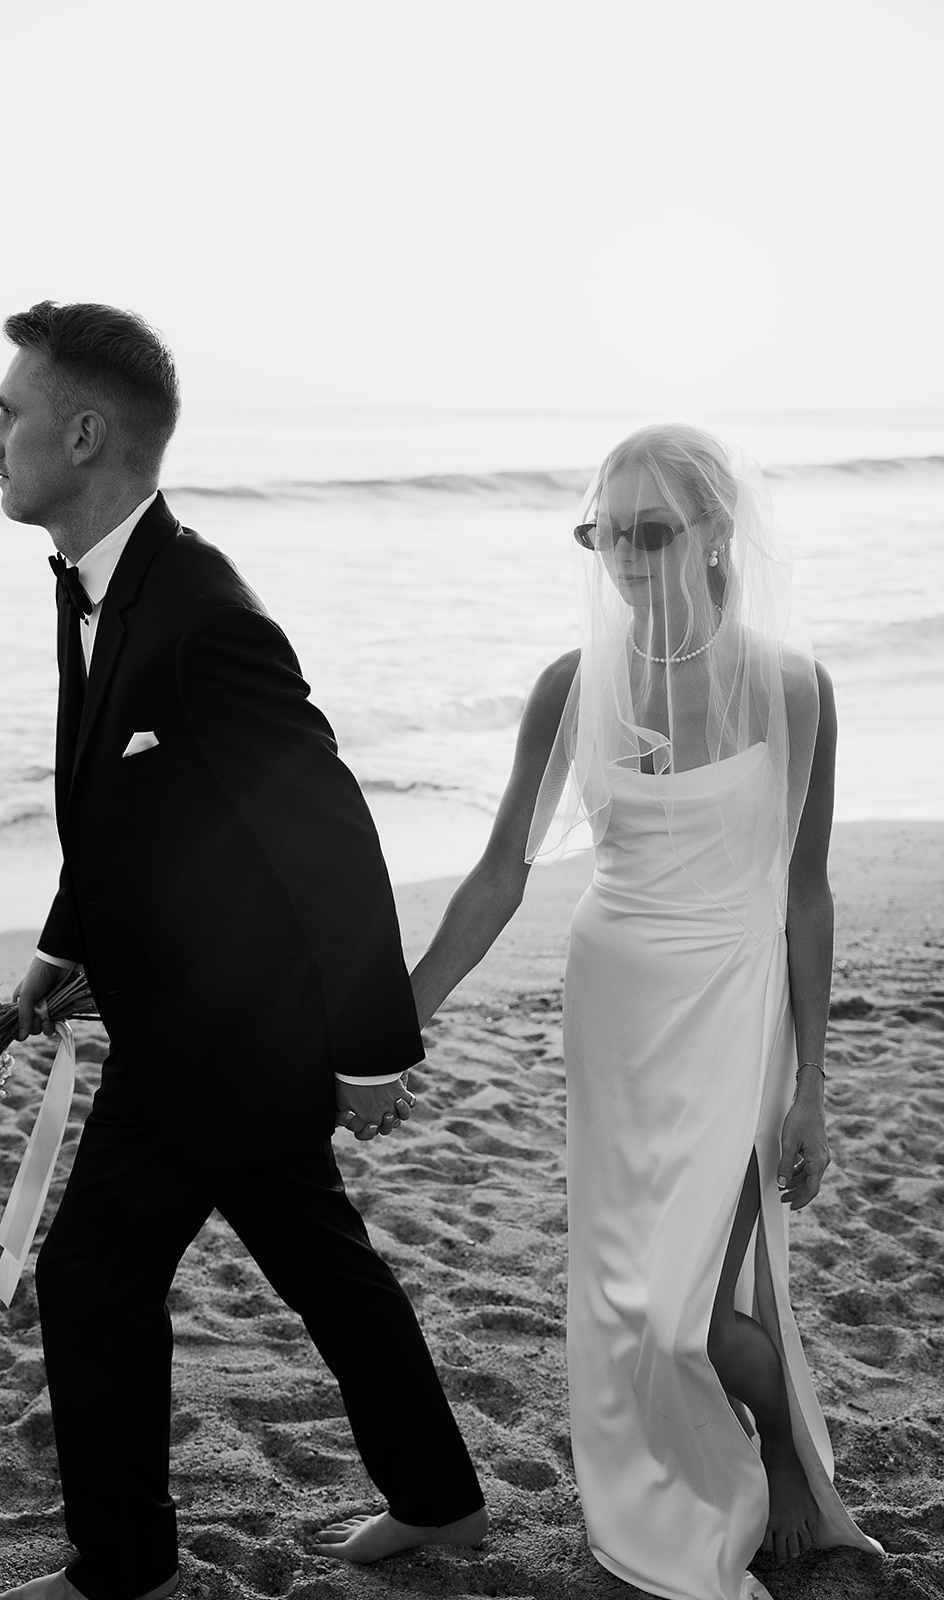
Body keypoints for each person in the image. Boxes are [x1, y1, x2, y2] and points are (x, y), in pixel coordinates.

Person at [0, 301, 487, 1600]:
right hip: (187, 1020)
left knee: (91, 1279)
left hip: (220, 1039)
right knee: (324, 1266)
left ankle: (125, 1572)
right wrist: (61, 939)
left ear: (82, 432)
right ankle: (435, 1500)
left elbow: (324, 834)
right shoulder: (99, 585)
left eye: (8, 413)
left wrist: (373, 1051)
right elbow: (121, 803)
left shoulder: (205, 614)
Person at [410, 425, 883, 1600]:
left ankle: (780, 1462)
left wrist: (810, 1082)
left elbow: (804, 889)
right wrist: (404, 1007)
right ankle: (720, 1471)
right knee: (628, 1299)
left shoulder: (791, 688)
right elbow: (501, 869)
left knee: (684, 1309)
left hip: (732, 1008)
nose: (620, 554)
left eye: (650, 529)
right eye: (601, 530)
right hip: (614, 1009)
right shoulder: (571, 686)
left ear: (717, 532)